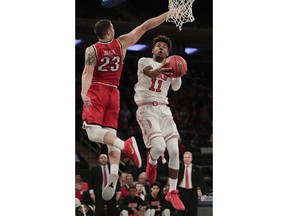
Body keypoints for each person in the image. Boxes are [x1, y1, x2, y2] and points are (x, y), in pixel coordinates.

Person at [81, 10, 170, 201]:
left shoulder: (92, 50)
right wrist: (168, 14)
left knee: (92, 133)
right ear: (109, 32)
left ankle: (126, 145)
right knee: (108, 137)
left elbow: (87, 73)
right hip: (114, 92)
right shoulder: (121, 43)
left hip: (97, 90)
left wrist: (82, 92)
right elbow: (146, 25)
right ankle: (114, 173)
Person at [134, 35, 185, 211]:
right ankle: (152, 160)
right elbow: (152, 73)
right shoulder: (144, 61)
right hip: (147, 108)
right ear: (153, 50)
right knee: (158, 147)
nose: (161, 48)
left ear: (168, 53)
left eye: (164, 47)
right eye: (158, 46)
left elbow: (176, 88)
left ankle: (172, 191)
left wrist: (178, 72)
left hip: (164, 110)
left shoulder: (171, 67)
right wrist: (167, 67)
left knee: (174, 151)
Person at [177, 151, 207, 216]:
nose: (187, 159)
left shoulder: (197, 169)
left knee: (193, 212)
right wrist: (163, 159)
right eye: (185, 157)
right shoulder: (179, 167)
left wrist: (204, 193)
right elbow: (169, 168)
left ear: (191, 158)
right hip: (181, 192)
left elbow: (201, 182)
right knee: (180, 212)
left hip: (192, 193)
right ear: (183, 159)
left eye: (188, 157)